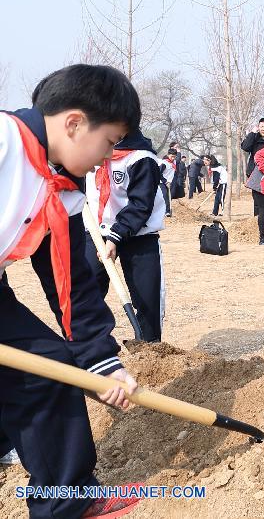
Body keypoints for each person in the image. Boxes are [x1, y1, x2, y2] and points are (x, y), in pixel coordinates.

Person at [0, 64, 141, 518]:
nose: (108, 157)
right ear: (75, 123)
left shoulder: (61, 183)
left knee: (49, 367)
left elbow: (71, 282)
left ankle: (66, 501)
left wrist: (102, 363)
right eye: (110, 141)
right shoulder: (4, 142)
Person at [85, 128, 167, 342]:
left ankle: (149, 349)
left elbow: (141, 204)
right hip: (96, 234)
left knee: (146, 297)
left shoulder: (141, 158)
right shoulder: (86, 149)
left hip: (138, 234)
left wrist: (117, 236)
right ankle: (92, 347)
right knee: (86, 292)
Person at [159, 149, 176, 217]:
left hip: (170, 182)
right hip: (162, 182)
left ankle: (167, 210)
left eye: (174, 156)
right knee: (165, 196)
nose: (173, 158)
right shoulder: (164, 163)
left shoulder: (174, 162)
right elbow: (158, 173)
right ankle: (167, 211)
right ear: (168, 155)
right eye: (172, 156)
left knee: (169, 196)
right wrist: (165, 182)